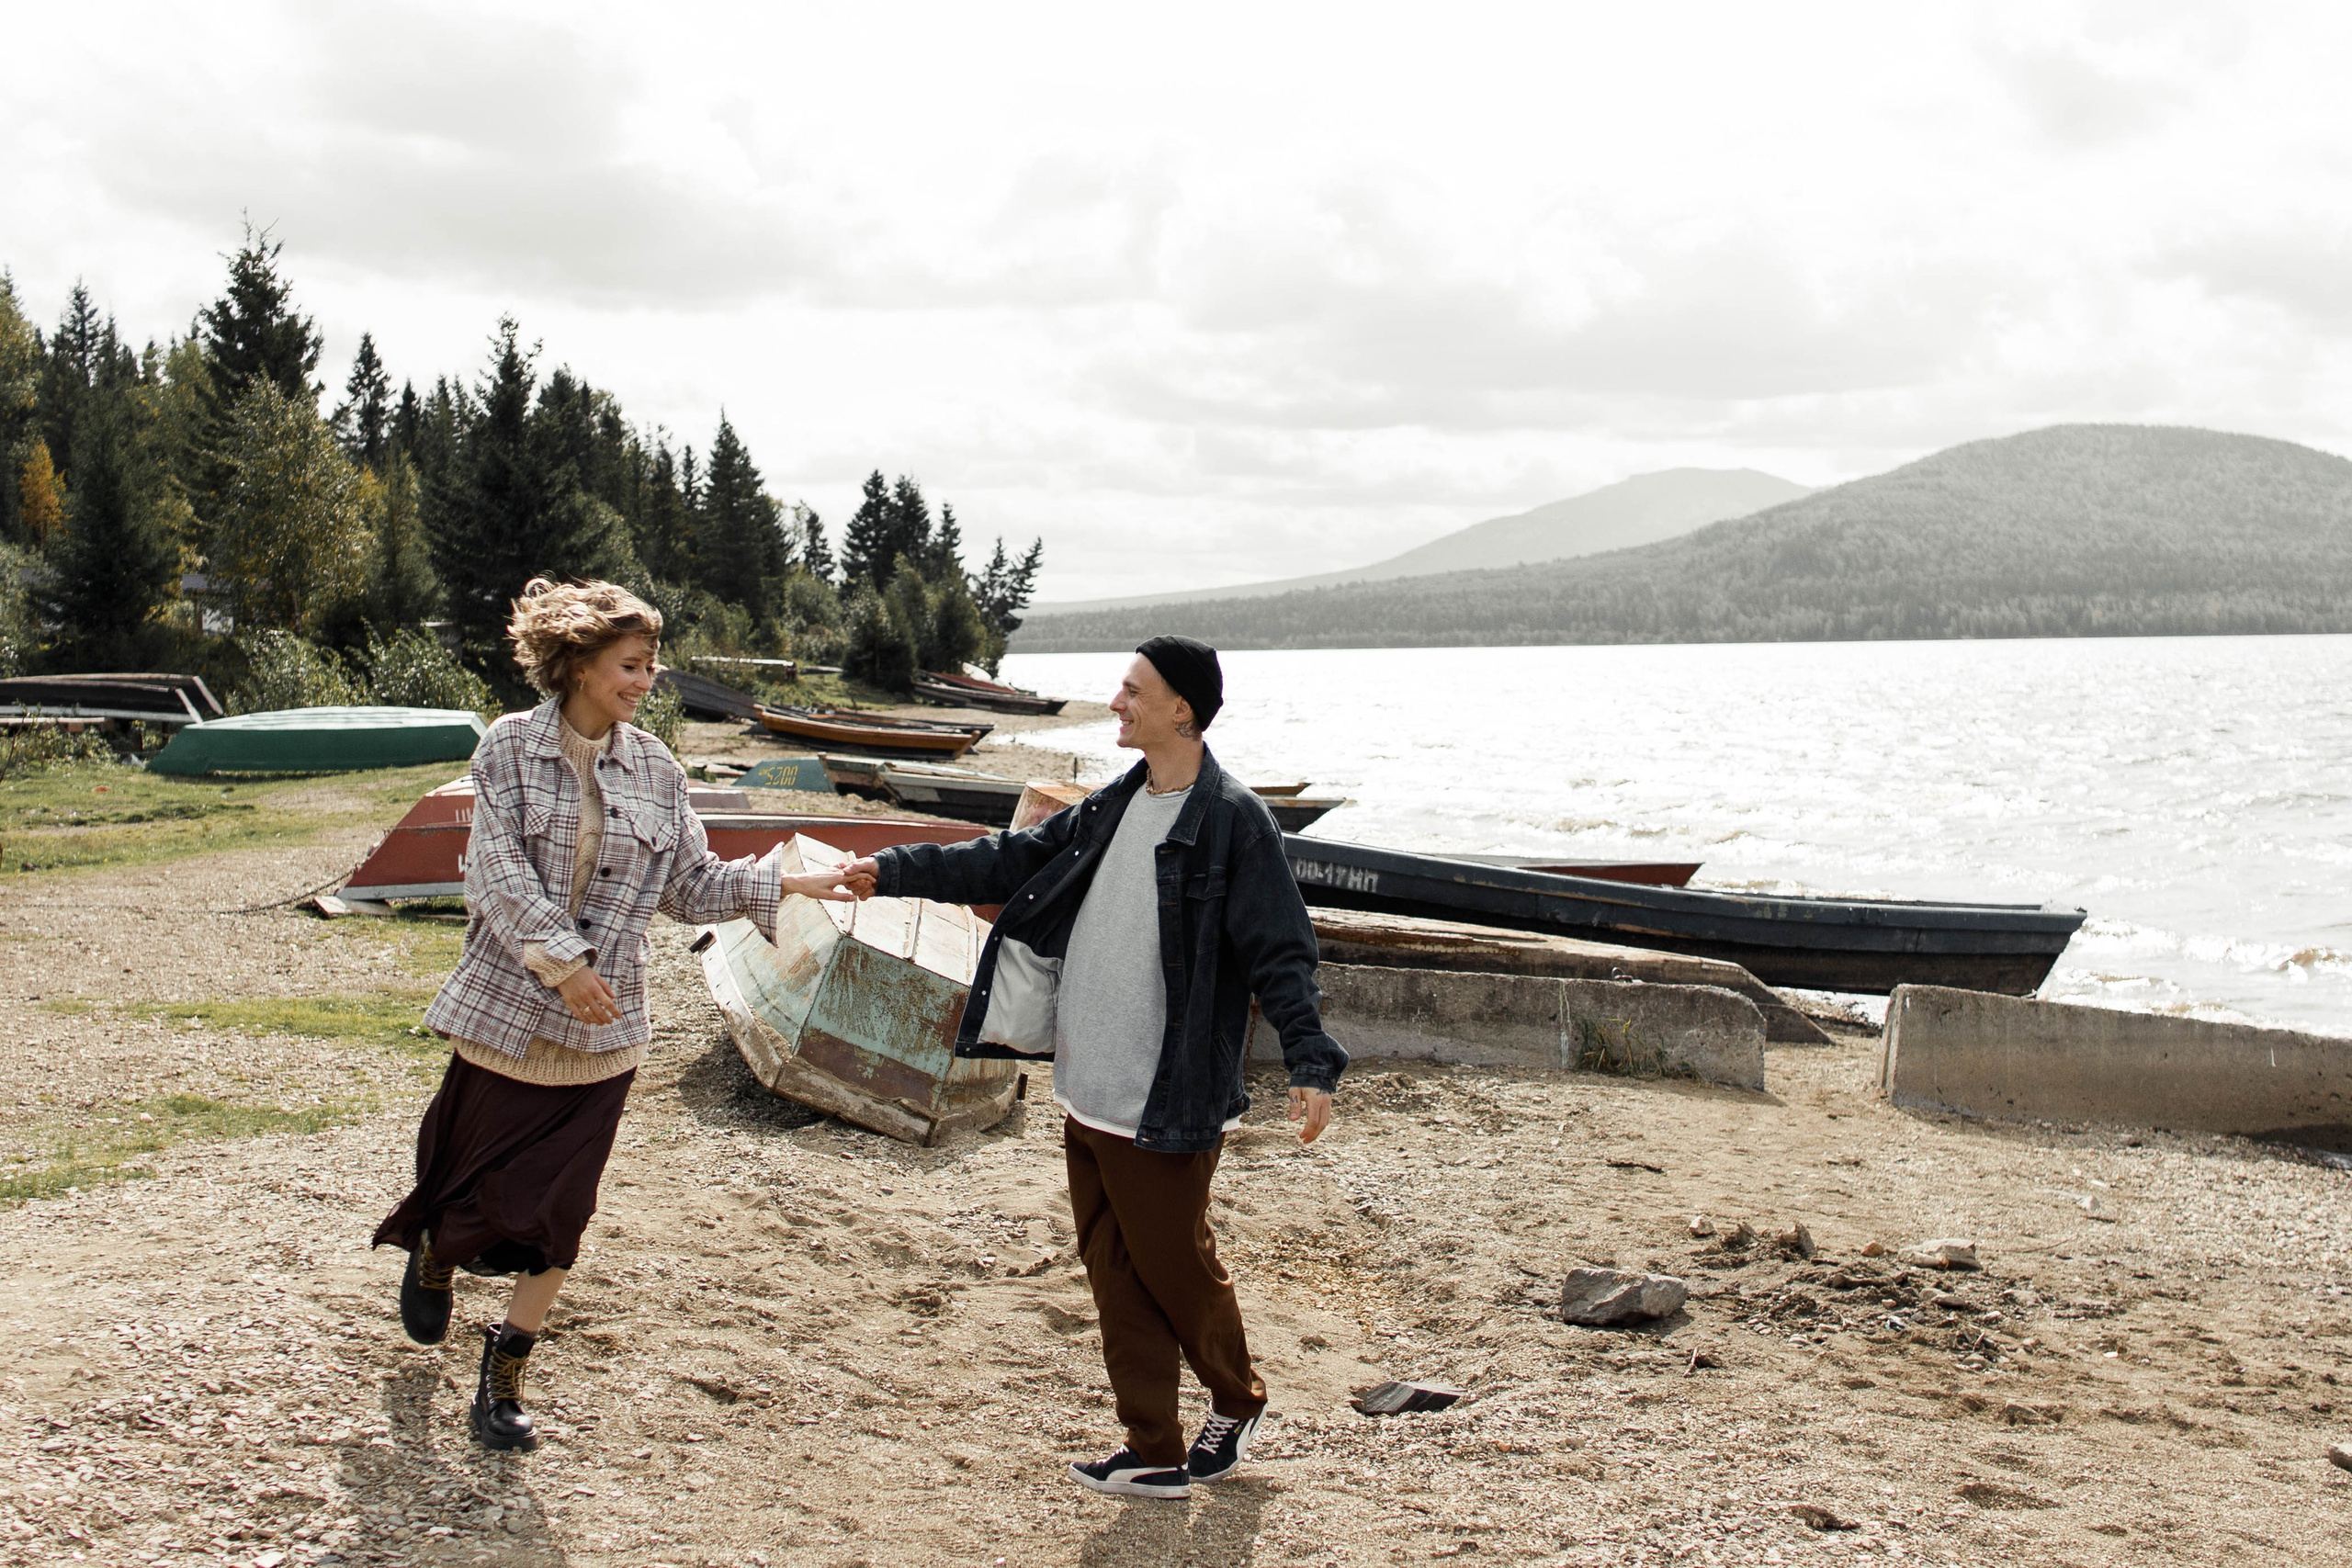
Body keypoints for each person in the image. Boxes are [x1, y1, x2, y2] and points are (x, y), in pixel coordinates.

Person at [373, 578, 871, 1452]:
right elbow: (494, 875)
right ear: (578, 665)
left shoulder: (657, 768)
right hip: (510, 1013)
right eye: (631, 665)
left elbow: (689, 885)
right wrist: (563, 967)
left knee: (562, 1207)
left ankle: (506, 1368)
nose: (646, 681)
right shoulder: (508, 750)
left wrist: (787, 881)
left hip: (608, 1034)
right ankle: (436, 1252)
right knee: (468, 1186)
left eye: (651, 666)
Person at [847, 636, 1345, 1499]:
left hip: (1166, 1093)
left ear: (1181, 708)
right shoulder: (1118, 802)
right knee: (1115, 1269)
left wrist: (1311, 1060)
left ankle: (1236, 1394)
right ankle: (1152, 1447)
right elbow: (1007, 860)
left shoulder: (1232, 819)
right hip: (1087, 1086)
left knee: (1174, 1264)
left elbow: (1281, 950)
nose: (1116, 702)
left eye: (1131, 689)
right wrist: (887, 870)